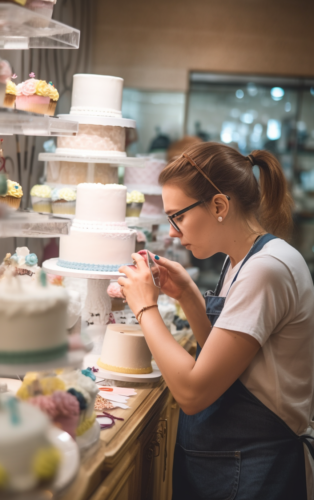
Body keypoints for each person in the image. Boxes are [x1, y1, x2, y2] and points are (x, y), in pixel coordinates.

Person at [118, 142, 314, 500]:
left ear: (219, 205)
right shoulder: (239, 261)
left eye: (178, 216)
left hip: (255, 468)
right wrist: (190, 297)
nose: (174, 231)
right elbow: (227, 366)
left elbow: (194, 393)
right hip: (229, 462)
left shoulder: (266, 270)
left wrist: (145, 307)